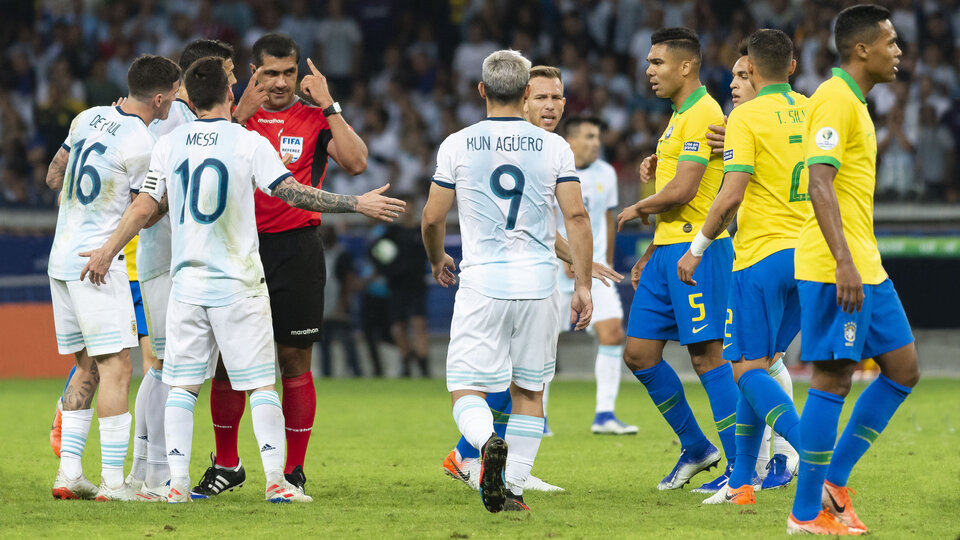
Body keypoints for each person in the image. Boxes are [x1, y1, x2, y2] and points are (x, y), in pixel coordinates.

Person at [78, 56, 405, 504]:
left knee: (182, 387)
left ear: (190, 99)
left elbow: (144, 208)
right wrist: (355, 203)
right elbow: (291, 192)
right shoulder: (247, 141)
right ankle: (276, 482)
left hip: (188, 285)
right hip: (237, 283)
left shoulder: (170, 145)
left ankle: (174, 484)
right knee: (261, 385)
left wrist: (106, 250)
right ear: (231, 96)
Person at [197, 32, 369, 499]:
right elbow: (202, 153)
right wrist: (239, 115)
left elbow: (356, 161)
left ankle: (293, 470)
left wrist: (330, 104)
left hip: (296, 248)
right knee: (230, 364)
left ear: (299, 73)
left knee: (294, 361)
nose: (279, 82)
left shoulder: (313, 118)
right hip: (239, 248)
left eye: (288, 72)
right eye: (269, 72)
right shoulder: (234, 121)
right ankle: (228, 464)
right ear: (253, 72)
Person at [423, 50, 594, 513]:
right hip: (539, 285)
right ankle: (513, 489)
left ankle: (483, 443)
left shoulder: (456, 144)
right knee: (530, 391)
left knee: (466, 388)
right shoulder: (555, 146)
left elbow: (432, 216)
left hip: (482, 283)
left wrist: (438, 257)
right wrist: (582, 285)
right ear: (524, 95)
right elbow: (576, 216)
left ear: (481, 90)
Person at [787, 5, 918, 534]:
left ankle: (833, 483)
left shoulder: (855, 103)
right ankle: (806, 514)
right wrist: (842, 261)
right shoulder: (835, 100)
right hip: (834, 263)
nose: (899, 51)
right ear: (862, 49)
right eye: (891, 42)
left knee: (904, 370)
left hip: (866, 263)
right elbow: (820, 183)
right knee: (833, 379)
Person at [676, 29, 808, 505]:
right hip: (811, 254)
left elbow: (730, 194)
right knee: (759, 362)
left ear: (754, 68)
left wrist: (697, 247)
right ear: (791, 66)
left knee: (748, 369)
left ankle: (809, 454)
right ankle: (742, 481)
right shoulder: (814, 110)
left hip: (760, 256)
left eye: (740, 71)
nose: (735, 80)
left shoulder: (745, 119)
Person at [47, 54, 180, 501]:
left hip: (61, 258)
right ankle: (113, 483)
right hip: (97, 265)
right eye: (175, 93)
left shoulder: (87, 116)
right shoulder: (143, 142)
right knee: (117, 367)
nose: (177, 99)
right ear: (160, 98)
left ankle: (69, 475)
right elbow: (143, 209)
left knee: (86, 363)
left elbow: (53, 175)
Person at [616, 27, 739, 494]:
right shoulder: (678, 116)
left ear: (686, 66)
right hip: (668, 250)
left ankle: (739, 465)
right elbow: (679, 187)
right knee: (639, 354)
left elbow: (686, 190)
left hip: (699, 251)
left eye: (656, 62)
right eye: (648, 63)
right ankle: (695, 447)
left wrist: (638, 206)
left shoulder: (704, 112)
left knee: (708, 357)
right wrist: (651, 248)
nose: (648, 71)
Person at [128, 39, 243, 502]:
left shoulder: (182, 118)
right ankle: (154, 473)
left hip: (173, 261)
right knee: (166, 371)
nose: (236, 82)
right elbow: (153, 198)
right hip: (167, 260)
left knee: (161, 368)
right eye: (230, 73)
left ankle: (143, 469)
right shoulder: (175, 121)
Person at [557, 117, 637, 435]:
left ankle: (604, 414)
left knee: (613, 333)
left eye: (598, 137)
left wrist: (602, 259)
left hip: (594, 270)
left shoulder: (606, 173)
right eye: (589, 136)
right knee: (543, 342)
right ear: (571, 141)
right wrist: (565, 256)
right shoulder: (556, 168)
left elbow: (606, 220)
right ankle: (540, 417)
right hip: (555, 268)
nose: (595, 142)